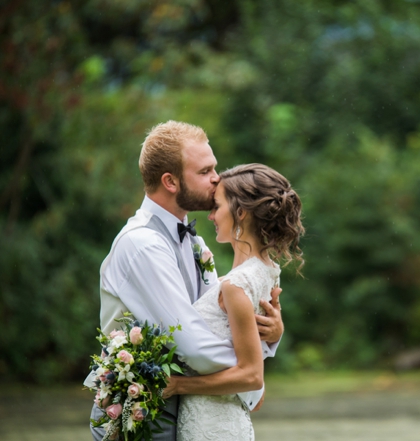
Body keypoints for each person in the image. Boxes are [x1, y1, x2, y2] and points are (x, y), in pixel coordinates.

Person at [88, 121, 285, 441]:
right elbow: (192, 342)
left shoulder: (195, 244)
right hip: (143, 409)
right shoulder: (142, 244)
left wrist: (271, 334)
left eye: (215, 168)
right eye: (205, 171)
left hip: (182, 402)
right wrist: (250, 378)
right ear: (170, 181)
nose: (217, 179)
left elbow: (218, 324)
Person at [163, 163, 304, 441]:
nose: (211, 215)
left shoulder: (236, 285)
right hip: (228, 416)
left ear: (241, 212)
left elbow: (252, 377)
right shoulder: (268, 270)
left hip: (211, 422)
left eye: (216, 207)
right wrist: (275, 334)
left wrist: (178, 385)